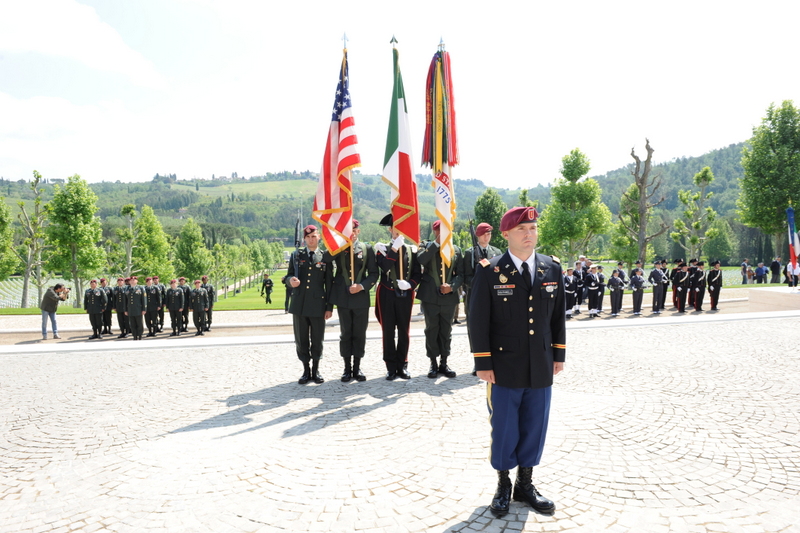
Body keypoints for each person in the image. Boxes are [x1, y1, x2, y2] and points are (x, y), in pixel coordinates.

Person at [468, 206, 565, 517]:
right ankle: (503, 484)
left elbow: (557, 318)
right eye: (522, 229)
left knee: (535, 426)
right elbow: (478, 320)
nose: (529, 234)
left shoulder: (551, 268)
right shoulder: (490, 270)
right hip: (504, 367)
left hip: (541, 364)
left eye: (533, 228)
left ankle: (526, 483)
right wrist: (483, 363)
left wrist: (558, 354)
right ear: (506, 235)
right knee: (506, 427)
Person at [326, 219, 378, 382]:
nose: (352, 233)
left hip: (360, 298)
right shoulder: (339, 247)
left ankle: (357, 367)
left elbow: (374, 273)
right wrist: (338, 243)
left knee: (359, 334)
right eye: (349, 230)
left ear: (358, 231)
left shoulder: (366, 248)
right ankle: (347, 368)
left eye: (354, 230)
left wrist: (362, 286)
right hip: (343, 298)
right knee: (346, 334)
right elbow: (326, 258)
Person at [374, 213, 422, 381]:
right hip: (387, 292)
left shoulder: (411, 249)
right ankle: (390, 367)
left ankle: (402, 364)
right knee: (388, 331)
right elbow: (385, 266)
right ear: (390, 229)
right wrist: (393, 249)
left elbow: (417, 273)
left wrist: (410, 284)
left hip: (405, 294)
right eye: (395, 228)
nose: (398, 231)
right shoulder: (382, 249)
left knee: (404, 330)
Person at [286, 225, 333, 384]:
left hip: (318, 305)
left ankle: (316, 369)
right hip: (299, 304)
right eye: (308, 237)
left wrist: (329, 307)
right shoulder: (296, 255)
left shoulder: (325, 256)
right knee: (301, 339)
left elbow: (329, 284)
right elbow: (288, 276)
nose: (311, 239)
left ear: (319, 237)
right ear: (304, 239)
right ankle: (306, 370)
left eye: (314, 236)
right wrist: (291, 281)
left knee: (317, 338)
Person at [417, 220, 464, 379]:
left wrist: (452, 286)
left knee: (446, 331)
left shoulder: (456, 250)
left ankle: (444, 362)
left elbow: (461, 274)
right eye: (439, 231)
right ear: (434, 232)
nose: (442, 234)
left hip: (449, 298)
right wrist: (436, 244)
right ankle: (433, 363)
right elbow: (421, 260)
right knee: (432, 330)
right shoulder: (426, 247)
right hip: (430, 296)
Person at [462, 222, 503, 322]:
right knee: (474, 322)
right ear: (478, 235)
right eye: (484, 234)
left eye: (488, 234)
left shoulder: (497, 252)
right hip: (475, 293)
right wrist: (479, 284)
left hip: (493, 294)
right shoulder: (469, 253)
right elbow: (466, 276)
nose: (487, 237)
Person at [124, 276, 147, 340]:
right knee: (132, 323)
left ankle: (140, 335)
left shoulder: (141, 288)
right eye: (131, 280)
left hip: (138, 309)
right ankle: (134, 335)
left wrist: (144, 309)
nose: (132, 281)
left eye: (134, 280)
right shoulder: (127, 289)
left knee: (139, 323)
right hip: (130, 309)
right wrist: (125, 310)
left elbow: (144, 299)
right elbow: (125, 300)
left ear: (137, 281)